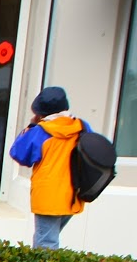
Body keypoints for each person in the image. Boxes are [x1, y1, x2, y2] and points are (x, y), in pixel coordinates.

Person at [9, 86, 88, 250]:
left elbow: (19, 154)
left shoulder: (40, 131)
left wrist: (30, 127)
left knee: (46, 244)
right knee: (45, 237)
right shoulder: (82, 126)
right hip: (74, 193)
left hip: (48, 196)